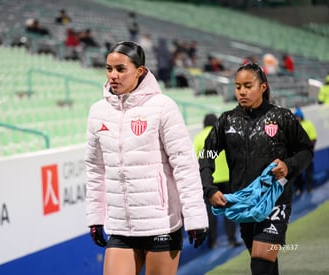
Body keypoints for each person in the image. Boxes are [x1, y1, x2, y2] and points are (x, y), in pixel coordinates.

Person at [85, 41, 209, 275]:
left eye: (121, 69)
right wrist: (95, 217)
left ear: (140, 71)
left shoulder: (163, 107)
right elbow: (95, 168)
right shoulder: (97, 112)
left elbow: (184, 165)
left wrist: (195, 217)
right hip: (120, 227)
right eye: (109, 69)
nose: (113, 75)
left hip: (161, 224)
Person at [199, 63, 314, 275]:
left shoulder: (282, 117)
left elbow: (306, 150)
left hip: (275, 203)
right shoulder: (226, 121)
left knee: (260, 263)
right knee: (266, 267)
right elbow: (207, 155)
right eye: (238, 86)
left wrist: (289, 165)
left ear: (263, 87)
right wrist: (210, 189)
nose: (242, 91)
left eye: (248, 85)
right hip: (243, 206)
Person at [193, 113, 240, 249]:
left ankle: (212, 242)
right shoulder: (224, 135)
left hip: (209, 181)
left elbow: (195, 161)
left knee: (211, 212)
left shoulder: (198, 138)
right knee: (229, 210)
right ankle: (232, 239)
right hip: (226, 178)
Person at [293, 107, 317, 195]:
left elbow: (313, 138)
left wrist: (310, 150)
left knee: (308, 170)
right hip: (297, 153)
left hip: (306, 151)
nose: (297, 118)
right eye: (296, 116)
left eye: (298, 116)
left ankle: (309, 187)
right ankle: (299, 188)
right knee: (297, 172)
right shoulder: (294, 126)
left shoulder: (308, 124)